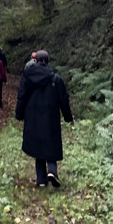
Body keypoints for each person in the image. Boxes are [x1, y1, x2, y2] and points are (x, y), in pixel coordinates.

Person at [15, 50, 74, 188]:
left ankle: (41, 179)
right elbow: (63, 100)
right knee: (51, 142)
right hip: (50, 115)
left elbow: (22, 96)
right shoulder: (56, 79)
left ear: (35, 61)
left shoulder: (27, 77)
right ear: (48, 62)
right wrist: (68, 117)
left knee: (37, 144)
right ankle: (52, 171)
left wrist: (19, 114)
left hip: (33, 116)